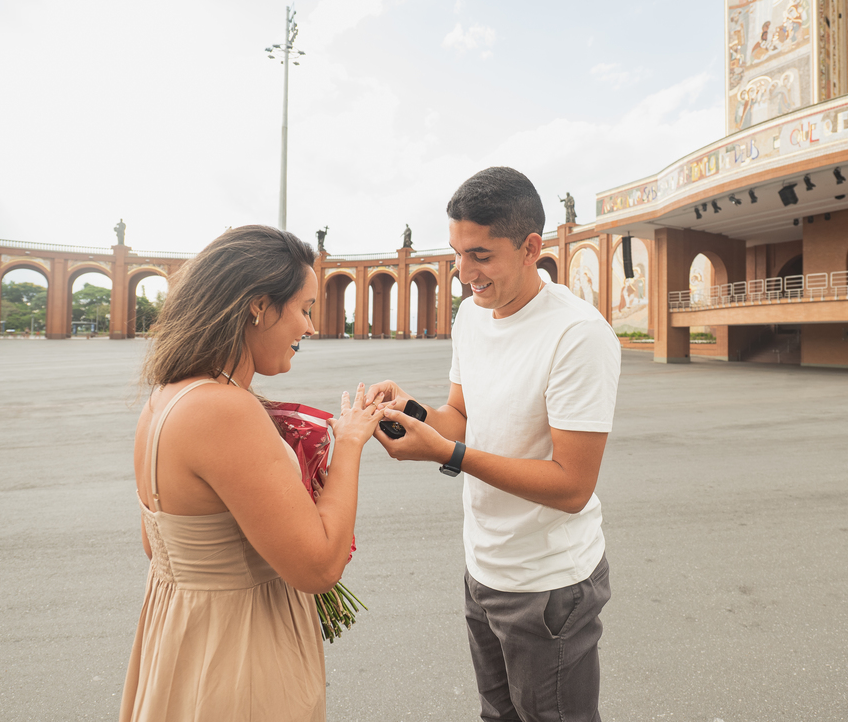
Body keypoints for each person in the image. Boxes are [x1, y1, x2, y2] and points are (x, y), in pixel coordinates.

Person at [367, 167, 621, 722]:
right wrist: (411, 412)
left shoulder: (577, 335)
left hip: (549, 585)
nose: (463, 274)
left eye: (480, 256)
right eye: (457, 254)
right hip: (484, 566)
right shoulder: (472, 317)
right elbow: (459, 415)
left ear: (531, 248)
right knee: (497, 716)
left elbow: (572, 486)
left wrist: (448, 456)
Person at [120, 225, 384, 722]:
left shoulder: (166, 396)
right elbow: (319, 568)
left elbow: (158, 545)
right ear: (259, 306)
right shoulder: (227, 410)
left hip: (180, 634)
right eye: (305, 309)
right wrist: (348, 443)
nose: (310, 328)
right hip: (239, 650)